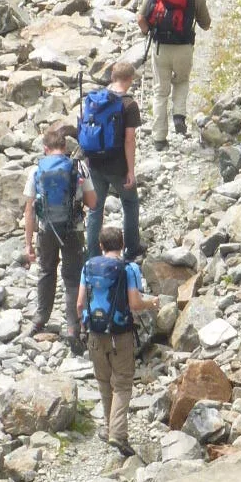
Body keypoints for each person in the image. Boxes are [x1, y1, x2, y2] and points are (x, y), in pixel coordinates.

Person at [77, 225, 157, 458]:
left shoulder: (88, 266)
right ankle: (118, 433)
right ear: (122, 245)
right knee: (122, 384)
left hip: (95, 334)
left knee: (104, 381)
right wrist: (152, 303)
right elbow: (135, 303)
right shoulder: (129, 268)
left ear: (101, 246)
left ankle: (108, 426)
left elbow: (80, 303)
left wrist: (83, 326)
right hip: (120, 335)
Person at [24, 123, 94, 347]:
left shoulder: (36, 170)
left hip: (46, 230)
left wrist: (28, 244)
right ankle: (73, 327)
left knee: (46, 272)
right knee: (72, 276)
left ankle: (40, 319)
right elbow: (92, 203)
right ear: (65, 147)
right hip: (73, 229)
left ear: (45, 148)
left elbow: (29, 210)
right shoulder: (78, 168)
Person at [138, 0, 211, 148]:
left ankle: (159, 138)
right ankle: (179, 115)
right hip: (184, 48)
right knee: (181, 81)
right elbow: (206, 24)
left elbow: (141, 19)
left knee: (160, 92)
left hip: (160, 47)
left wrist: (147, 32)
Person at [78, 59, 143, 260]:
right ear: (130, 79)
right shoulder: (129, 104)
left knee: (95, 209)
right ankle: (131, 248)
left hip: (94, 162)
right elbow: (129, 140)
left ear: (112, 77)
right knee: (130, 203)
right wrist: (130, 171)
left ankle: (93, 254)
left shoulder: (95, 99)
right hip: (118, 166)